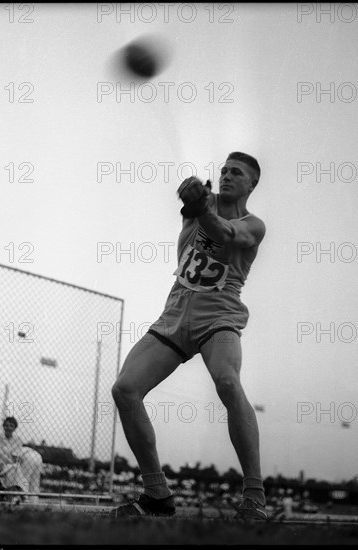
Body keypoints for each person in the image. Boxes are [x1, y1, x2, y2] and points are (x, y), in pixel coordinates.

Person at [111, 152, 267, 520]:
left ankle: (254, 496)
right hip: (175, 314)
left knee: (228, 383)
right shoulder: (200, 203)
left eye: (237, 173)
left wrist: (201, 207)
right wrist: (193, 200)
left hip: (219, 315)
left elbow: (226, 233)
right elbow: (195, 209)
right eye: (224, 170)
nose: (227, 175)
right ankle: (157, 494)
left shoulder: (254, 224)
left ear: (252, 184)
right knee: (125, 389)